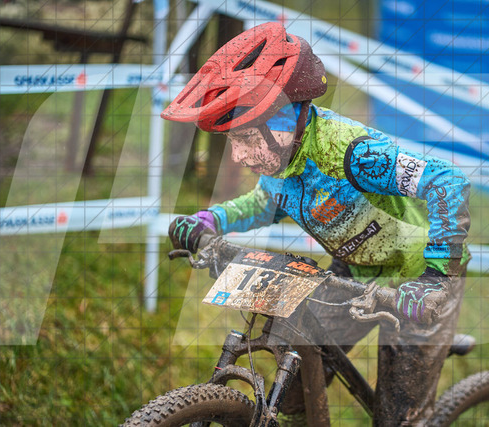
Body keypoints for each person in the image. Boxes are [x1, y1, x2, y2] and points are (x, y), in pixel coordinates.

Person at [162, 22, 470, 426]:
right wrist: (209, 220)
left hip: (415, 279)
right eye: (232, 141)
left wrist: (437, 277)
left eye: (246, 139)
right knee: (295, 393)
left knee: (397, 420)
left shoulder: (353, 155)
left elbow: (447, 181)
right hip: (354, 271)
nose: (237, 156)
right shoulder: (282, 161)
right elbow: (265, 203)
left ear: (283, 121)